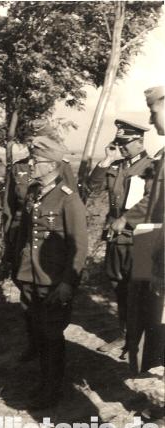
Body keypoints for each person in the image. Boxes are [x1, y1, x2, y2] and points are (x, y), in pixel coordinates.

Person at [15, 136, 88, 409]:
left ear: (52, 165)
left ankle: (52, 389)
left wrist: (69, 282)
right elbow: (26, 236)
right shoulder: (35, 193)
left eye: (37, 161)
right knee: (37, 331)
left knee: (51, 334)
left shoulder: (69, 200)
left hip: (53, 280)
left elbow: (79, 247)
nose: (32, 165)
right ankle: (44, 381)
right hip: (30, 276)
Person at [3, 121, 77, 362]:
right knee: (28, 300)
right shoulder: (19, 168)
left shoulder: (61, 175)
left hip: (49, 248)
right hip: (22, 240)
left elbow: (69, 219)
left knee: (49, 318)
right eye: (30, 136)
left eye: (37, 136)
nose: (32, 140)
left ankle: (47, 363)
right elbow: (9, 207)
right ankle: (34, 345)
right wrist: (9, 245)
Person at [87, 120, 154, 357]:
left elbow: (153, 201)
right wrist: (106, 161)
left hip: (141, 237)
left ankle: (143, 341)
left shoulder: (152, 167)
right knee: (119, 286)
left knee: (141, 290)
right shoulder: (116, 167)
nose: (121, 147)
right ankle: (125, 335)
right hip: (116, 236)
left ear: (139, 142)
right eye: (118, 142)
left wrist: (126, 219)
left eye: (125, 143)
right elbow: (92, 188)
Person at [111, 87, 164, 373]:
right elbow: (155, 201)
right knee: (148, 315)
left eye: (153, 111)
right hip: (152, 240)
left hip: (160, 247)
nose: (151, 119)